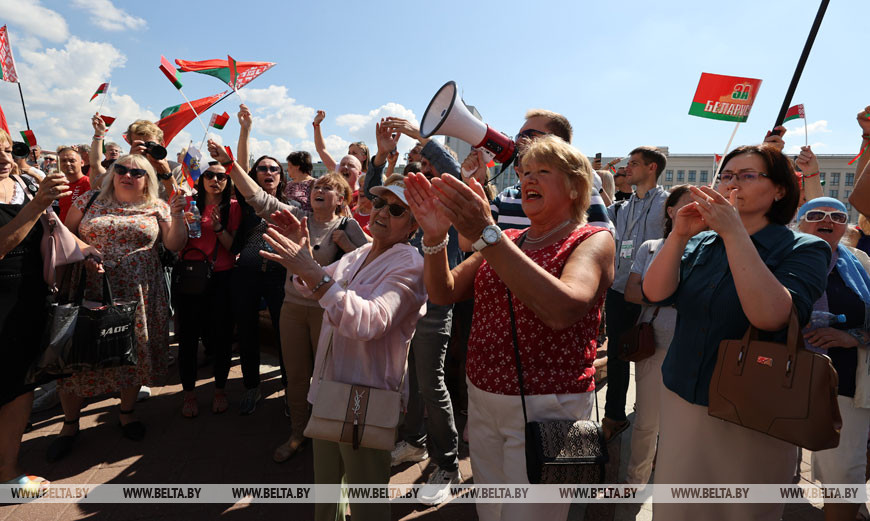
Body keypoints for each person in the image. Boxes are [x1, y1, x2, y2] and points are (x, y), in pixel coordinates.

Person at [406, 135, 614, 521]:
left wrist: (489, 234)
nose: (527, 179)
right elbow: (443, 291)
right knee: (490, 510)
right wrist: (434, 238)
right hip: (484, 401)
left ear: (575, 186)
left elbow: (562, 309)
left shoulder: (593, 239)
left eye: (543, 171)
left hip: (552, 409)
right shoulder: (510, 239)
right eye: (525, 172)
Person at [643, 144, 830, 521]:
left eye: (747, 176)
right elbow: (655, 293)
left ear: (779, 190)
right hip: (684, 397)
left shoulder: (805, 247)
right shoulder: (701, 241)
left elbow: (771, 317)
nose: (732, 184)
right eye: (727, 176)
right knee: (677, 509)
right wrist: (679, 236)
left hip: (755, 409)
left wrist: (734, 234)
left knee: (741, 510)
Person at [262, 173, 426, 521]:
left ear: (414, 226)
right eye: (379, 202)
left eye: (397, 210)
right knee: (326, 497)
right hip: (328, 389)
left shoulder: (410, 263)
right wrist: (303, 258)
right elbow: (312, 286)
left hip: (365, 399)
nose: (382, 211)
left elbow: (370, 321)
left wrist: (313, 272)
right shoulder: (361, 252)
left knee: (367, 506)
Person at [206, 140, 368, 447]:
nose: (320, 189)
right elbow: (259, 199)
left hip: (327, 313)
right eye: (317, 185)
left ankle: (327, 435)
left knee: (328, 375)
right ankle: (297, 432)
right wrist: (230, 165)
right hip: (292, 308)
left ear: (341, 199)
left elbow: (375, 261)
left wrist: (348, 248)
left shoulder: (348, 227)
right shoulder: (296, 216)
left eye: (329, 187)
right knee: (296, 375)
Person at [50, 154, 187, 461]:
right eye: (121, 169)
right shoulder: (89, 199)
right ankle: (70, 424)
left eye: (137, 172)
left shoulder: (158, 206)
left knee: (130, 353)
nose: (127, 175)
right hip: (88, 288)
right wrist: (85, 251)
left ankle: (126, 412)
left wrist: (178, 215)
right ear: (112, 173)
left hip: (138, 292)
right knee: (76, 356)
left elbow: (174, 245)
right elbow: (64, 235)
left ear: (147, 179)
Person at [365, 118, 466, 505]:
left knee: (430, 384)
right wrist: (379, 157)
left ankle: (448, 465)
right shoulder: (401, 205)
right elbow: (370, 196)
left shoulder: (447, 204)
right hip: (402, 301)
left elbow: (453, 171)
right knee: (410, 381)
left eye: (429, 165)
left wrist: (420, 137)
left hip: (434, 305)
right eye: (418, 165)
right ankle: (414, 442)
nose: (422, 171)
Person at [0, 129, 97, 492]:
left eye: (7, 149)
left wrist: (85, 251)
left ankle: (7, 472)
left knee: (20, 385)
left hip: (29, 296)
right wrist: (39, 202)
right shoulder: (33, 194)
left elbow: (52, 230)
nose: (4, 158)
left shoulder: (23, 184)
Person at [796, 197, 870, 521]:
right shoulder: (781, 256)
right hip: (786, 377)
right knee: (771, 468)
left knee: (843, 471)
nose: (827, 220)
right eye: (816, 214)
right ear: (800, 223)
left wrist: (853, 337)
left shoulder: (860, 261)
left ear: (845, 226)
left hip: (847, 383)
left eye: (837, 216)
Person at [622, 185, 693, 485]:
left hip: (694, 349)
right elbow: (630, 292)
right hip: (656, 345)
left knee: (684, 426)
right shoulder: (650, 247)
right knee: (647, 422)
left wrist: (656, 294)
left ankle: (669, 479)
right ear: (671, 211)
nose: (697, 210)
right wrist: (670, 297)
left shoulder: (713, 248)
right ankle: (635, 480)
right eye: (689, 204)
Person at [603, 146, 669, 441]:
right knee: (617, 354)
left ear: (652, 168)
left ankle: (649, 415)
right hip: (619, 290)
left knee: (651, 356)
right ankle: (614, 416)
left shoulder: (668, 204)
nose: (627, 168)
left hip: (653, 295)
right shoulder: (620, 207)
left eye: (634, 163)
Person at [175, 163, 240, 417]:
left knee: (222, 337)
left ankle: (220, 390)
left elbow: (233, 247)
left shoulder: (233, 207)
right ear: (200, 179)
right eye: (209, 175)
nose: (215, 180)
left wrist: (218, 228)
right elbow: (175, 243)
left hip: (222, 277)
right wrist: (179, 221)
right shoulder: (187, 204)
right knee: (188, 338)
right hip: (190, 276)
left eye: (221, 176)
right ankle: (189, 394)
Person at [230, 155, 291, 415]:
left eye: (274, 169)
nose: (268, 172)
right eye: (262, 168)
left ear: (281, 175)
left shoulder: (291, 207)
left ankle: (291, 390)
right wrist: (244, 133)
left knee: (285, 333)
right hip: (248, 273)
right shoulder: (247, 203)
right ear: (254, 175)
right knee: (246, 331)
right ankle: (252, 386)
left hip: (279, 275)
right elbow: (240, 169)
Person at [55, 146, 91, 223]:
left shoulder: (88, 183)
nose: (67, 164)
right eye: (63, 161)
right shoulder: (61, 185)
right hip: (61, 228)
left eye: (72, 161)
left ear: (82, 163)